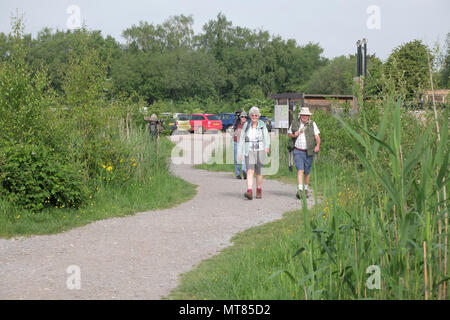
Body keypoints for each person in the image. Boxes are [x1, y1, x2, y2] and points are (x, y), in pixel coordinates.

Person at [237, 106, 270, 200]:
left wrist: (267, 146)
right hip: (249, 150)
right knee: (250, 171)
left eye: (256, 115)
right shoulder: (246, 125)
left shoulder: (262, 124)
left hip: (260, 149)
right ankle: (250, 191)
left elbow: (266, 137)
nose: (254, 116)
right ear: (250, 116)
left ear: (258, 116)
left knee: (259, 172)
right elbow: (242, 139)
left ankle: (259, 190)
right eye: (252, 115)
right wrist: (239, 152)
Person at [287, 107, 320, 199]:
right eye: (303, 115)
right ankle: (300, 190)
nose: (305, 116)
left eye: (306, 115)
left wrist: (317, 146)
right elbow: (289, 134)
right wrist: (294, 134)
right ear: (300, 115)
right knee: (300, 170)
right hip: (298, 150)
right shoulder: (295, 123)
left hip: (309, 151)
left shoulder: (312, 124)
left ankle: (305, 189)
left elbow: (317, 136)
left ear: (308, 116)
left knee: (307, 172)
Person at [233, 110, 248, 179]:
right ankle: (238, 174)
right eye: (242, 117)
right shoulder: (236, 124)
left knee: (244, 159)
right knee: (237, 159)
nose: (243, 118)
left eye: (245, 117)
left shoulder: (248, 125)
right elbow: (233, 133)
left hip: (244, 144)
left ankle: (244, 171)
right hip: (237, 143)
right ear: (240, 117)